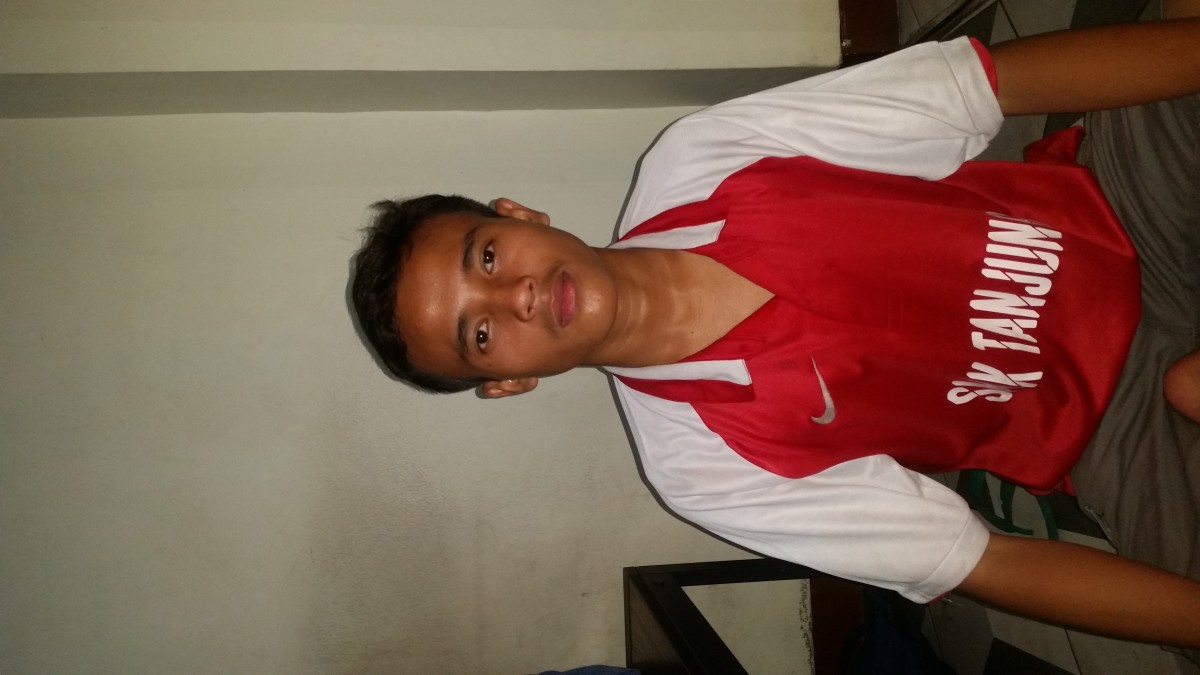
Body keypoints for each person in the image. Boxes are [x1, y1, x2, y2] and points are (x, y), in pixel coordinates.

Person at [350, 9, 1200, 648]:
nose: (519, 298)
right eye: (480, 335)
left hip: (1115, 209)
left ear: (519, 214)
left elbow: (994, 86)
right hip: (1110, 424)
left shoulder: (706, 156)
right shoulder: (701, 470)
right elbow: (987, 561)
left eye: (487, 256)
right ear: (508, 382)